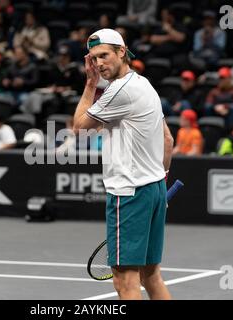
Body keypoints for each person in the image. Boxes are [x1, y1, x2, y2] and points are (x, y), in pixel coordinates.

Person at [73, 28, 174, 300]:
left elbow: (79, 129)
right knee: (151, 275)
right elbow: (167, 139)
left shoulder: (120, 91)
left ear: (122, 51)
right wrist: (160, 182)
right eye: (93, 59)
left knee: (124, 282)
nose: (98, 63)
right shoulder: (144, 84)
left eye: (104, 55)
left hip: (128, 193)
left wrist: (90, 84)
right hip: (152, 188)